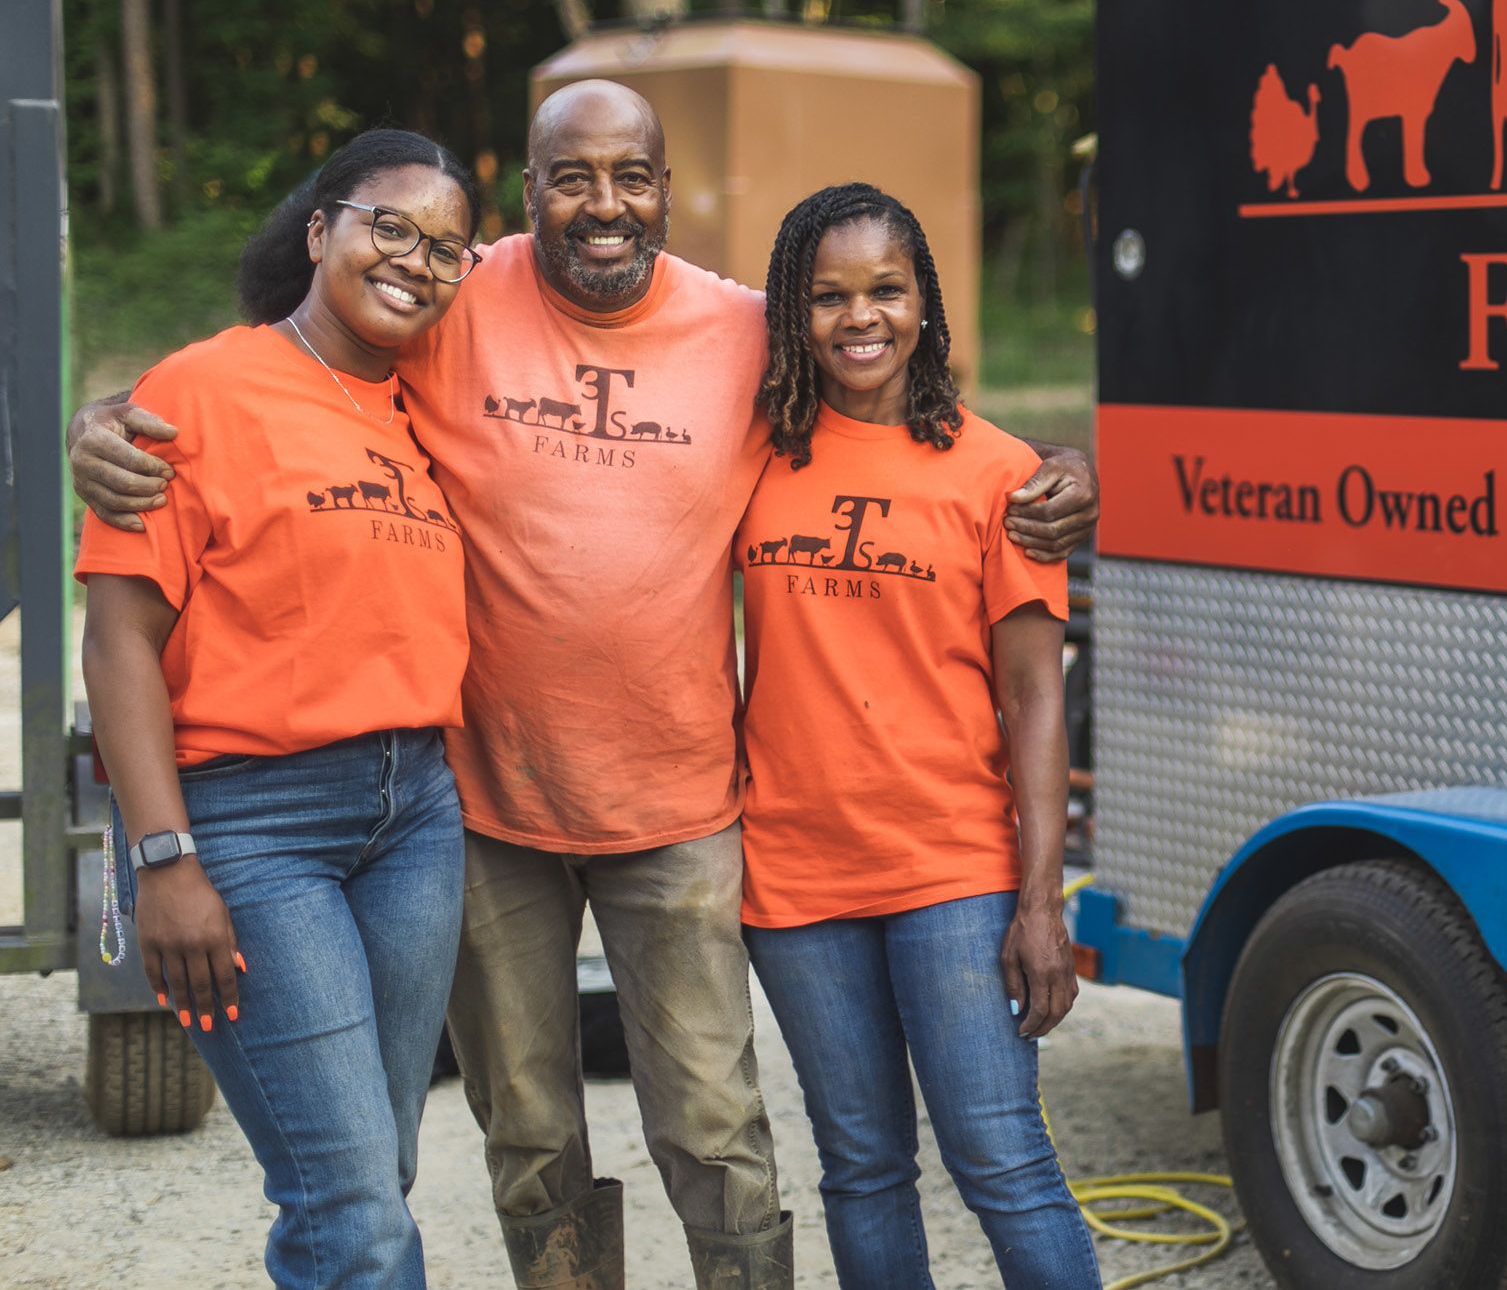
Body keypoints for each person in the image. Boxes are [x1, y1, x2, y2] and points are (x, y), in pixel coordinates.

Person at [67, 81, 1100, 1290]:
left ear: (666, 190)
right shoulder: (452, 291)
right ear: (529, 191)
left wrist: (1059, 471)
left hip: (682, 811)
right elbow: (300, 356)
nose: (602, 204)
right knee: (531, 1136)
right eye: (572, 176)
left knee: (718, 1130)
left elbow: (894, 402)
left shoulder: (745, 331)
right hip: (480, 812)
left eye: (630, 176)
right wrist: (112, 416)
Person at [78, 130, 483, 1287]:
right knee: (349, 1204)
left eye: (445, 247)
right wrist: (164, 859)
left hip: (414, 817)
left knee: (373, 1172)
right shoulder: (195, 393)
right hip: (249, 825)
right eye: (387, 225)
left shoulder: (424, 407)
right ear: (320, 229)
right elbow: (118, 645)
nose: (413, 259)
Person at [734, 183, 1100, 1290]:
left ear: (925, 302)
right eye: (829, 295)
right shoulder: (751, 456)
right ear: (792, 312)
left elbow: (1038, 700)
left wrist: (1040, 903)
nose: (861, 318)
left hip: (952, 868)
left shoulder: (1002, 477)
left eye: (886, 290)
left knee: (1001, 1159)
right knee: (860, 1168)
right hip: (793, 875)